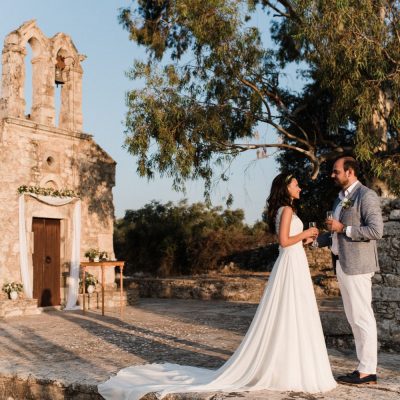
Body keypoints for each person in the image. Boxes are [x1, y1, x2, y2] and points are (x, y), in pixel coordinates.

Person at [98, 173, 337, 399]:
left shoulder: (286, 210)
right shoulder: (286, 210)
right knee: (288, 312)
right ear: (285, 188)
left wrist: (305, 239)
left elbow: (291, 242)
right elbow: (284, 242)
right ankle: (287, 368)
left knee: (294, 313)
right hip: (290, 264)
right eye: (296, 184)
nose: (300, 188)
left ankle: (292, 364)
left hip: (294, 262)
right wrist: (304, 232)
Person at [318, 156, 383, 385]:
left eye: (336, 171)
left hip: (358, 265)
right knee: (353, 317)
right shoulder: (339, 200)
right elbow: (336, 233)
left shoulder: (366, 195)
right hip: (341, 264)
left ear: (350, 171)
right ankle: (362, 366)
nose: (332, 175)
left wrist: (343, 228)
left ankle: (368, 370)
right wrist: (316, 240)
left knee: (362, 316)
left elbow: (376, 231)